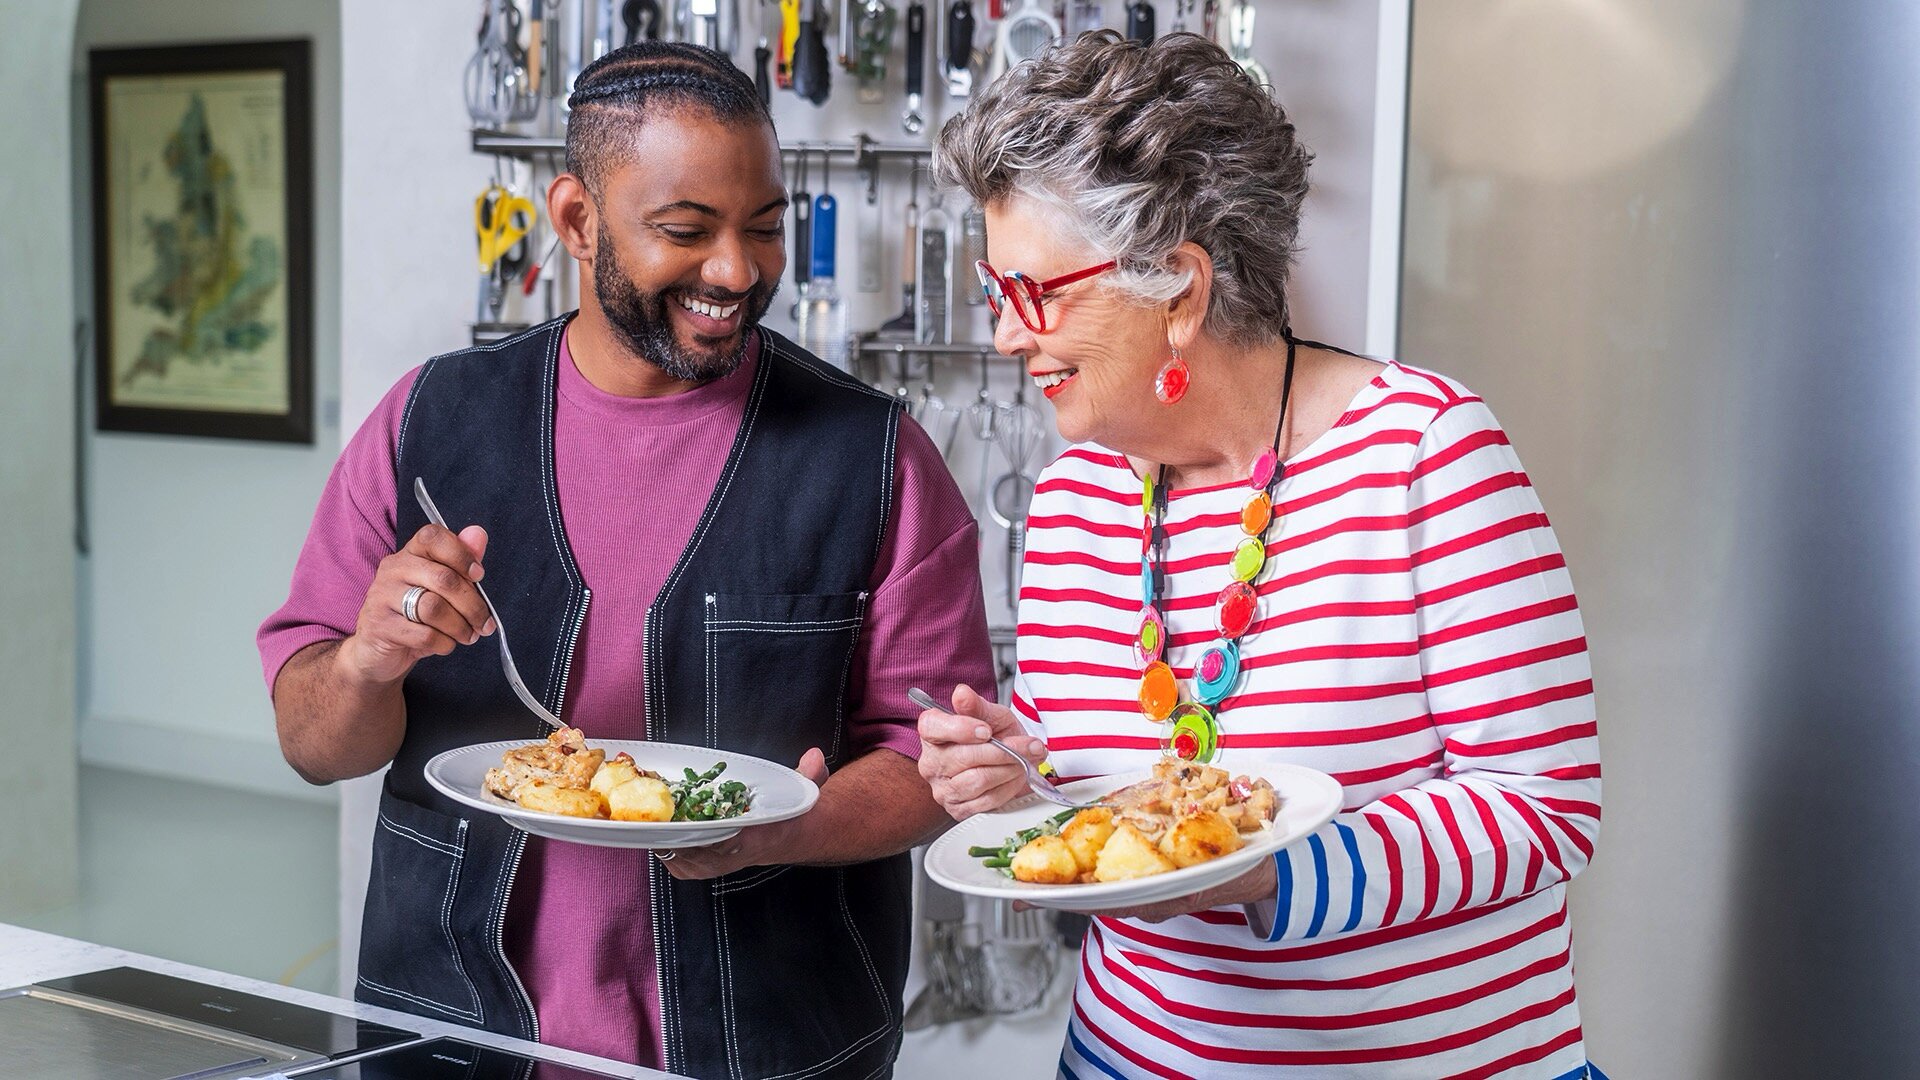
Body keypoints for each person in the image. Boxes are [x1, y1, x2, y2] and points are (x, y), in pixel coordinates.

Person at [259, 42, 992, 1079]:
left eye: (765, 227)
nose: (737, 271)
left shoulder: (874, 459)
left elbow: (938, 765)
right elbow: (313, 742)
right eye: (687, 231)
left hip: (765, 1051)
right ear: (575, 220)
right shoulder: (429, 423)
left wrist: (789, 829)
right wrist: (368, 661)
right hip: (451, 1043)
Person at [918, 32, 1604, 1080]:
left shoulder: (1425, 453)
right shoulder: (1072, 499)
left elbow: (1544, 803)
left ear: (1180, 288)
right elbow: (1098, 785)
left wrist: (1259, 873)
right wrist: (1017, 772)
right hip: (1127, 1057)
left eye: (1033, 293)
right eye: (993, 289)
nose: (1007, 337)